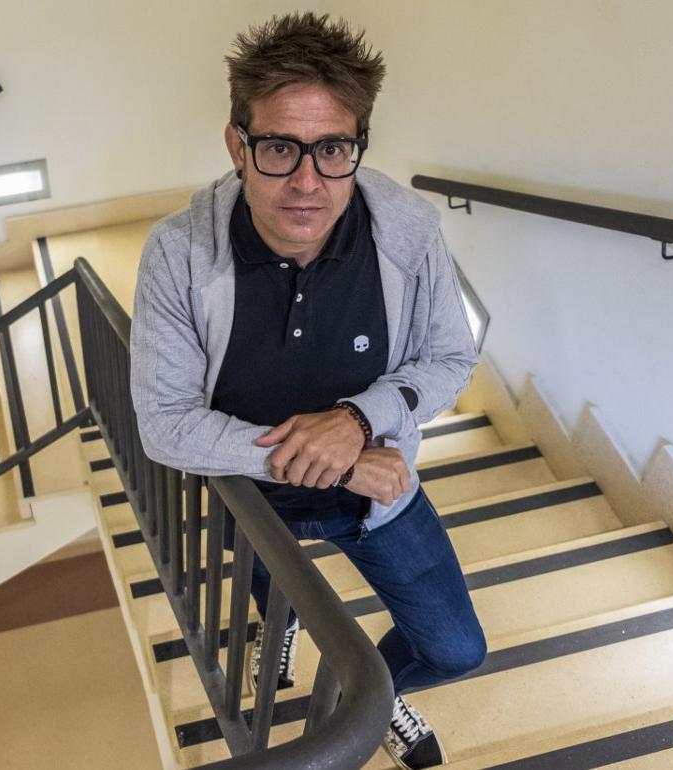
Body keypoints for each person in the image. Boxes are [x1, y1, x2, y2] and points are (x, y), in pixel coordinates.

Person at [129, 12, 486, 770]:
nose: (305, 181)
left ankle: (373, 697)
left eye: (332, 150)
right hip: (253, 503)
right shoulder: (178, 252)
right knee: (277, 591)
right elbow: (164, 423)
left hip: (379, 492)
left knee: (455, 650)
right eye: (279, 148)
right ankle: (278, 625)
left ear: (358, 147)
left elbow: (452, 357)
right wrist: (333, 456)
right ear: (237, 144)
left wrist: (359, 422)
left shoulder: (408, 231)